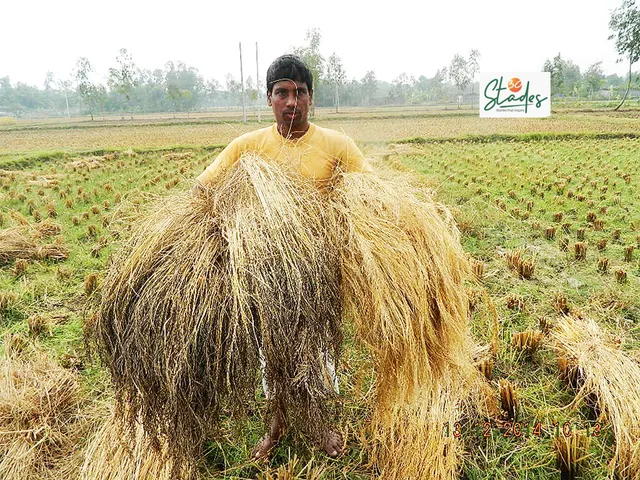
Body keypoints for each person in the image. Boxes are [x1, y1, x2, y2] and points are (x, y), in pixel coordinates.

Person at [194, 54, 372, 460]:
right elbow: (202, 189)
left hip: (321, 268)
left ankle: (322, 422)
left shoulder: (338, 146)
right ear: (269, 99)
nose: (291, 101)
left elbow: (369, 196)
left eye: (300, 92)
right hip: (265, 272)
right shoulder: (248, 147)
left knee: (319, 350)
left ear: (311, 98)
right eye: (282, 93)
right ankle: (276, 425)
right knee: (270, 352)